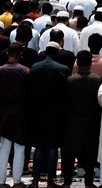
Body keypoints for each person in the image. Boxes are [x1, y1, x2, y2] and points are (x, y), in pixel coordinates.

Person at [28, 41, 71, 188]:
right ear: (57, 52)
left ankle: (35, 180)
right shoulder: (63, 69)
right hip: (56, 113)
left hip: (38, 112)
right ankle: (50, 181)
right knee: (53, 147)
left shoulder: (35, 68)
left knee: (39, 147)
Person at [63, 50, 102, 188]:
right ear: (90, 63)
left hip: (73, 121)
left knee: (69, 153)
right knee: (90, 154)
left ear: (77, 63)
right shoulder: (97, 80)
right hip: (91, 121)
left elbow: (65, 102)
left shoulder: (69, 80)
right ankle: (89, 182)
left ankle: (67, 182)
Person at [0, 44, 31, 188]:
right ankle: (17, 181)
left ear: (7, 54)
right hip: (21, 110)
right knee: (20, 147)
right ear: (20, 54)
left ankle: (1, 181)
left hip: (4, 110)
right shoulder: (25, 71)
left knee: (4, 147)